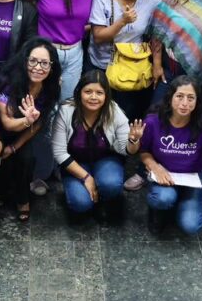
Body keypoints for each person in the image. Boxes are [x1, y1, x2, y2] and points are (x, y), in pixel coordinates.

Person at [140, 76, 202, 236]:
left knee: (191, 226)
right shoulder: (153, 120)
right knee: (163, 199)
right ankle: (159, 211)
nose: (184, 103)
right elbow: (143, 152)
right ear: (170, 98)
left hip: (192, 177)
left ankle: (186, 201)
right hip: (164, 175)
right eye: (179, 96)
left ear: (197, 102)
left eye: (190, 98)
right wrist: (155, 167)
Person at [51, 70, 138, 222]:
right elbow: (59, 153)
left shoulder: (115, 112)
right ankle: (89, 193)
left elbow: (125, 150)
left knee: (110, 185)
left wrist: (133, 141)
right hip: (75, 163)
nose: (93, 97)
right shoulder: (66, 111)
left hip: (106, 159)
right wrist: (87, 178)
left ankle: (104, 198)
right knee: (80, 203)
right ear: (79, 92)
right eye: (88, 92)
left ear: (106, 95)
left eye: (99, 93)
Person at [0, 38, 62, 221]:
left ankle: (23, 199)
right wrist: (26, 120)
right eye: (33, 61)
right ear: (25, 61)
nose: (38, 67)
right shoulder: (8, 82)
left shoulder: (50, 88)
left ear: (51, 67)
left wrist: (14, 147)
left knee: (27, 159)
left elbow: (38, 124)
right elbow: (7, 123)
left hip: (24, 132)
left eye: (44, 63)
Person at [28, 0, 103, 100]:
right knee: (41, 100)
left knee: (67, 102)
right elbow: (24, 1)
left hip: (74, 53)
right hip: (45, 51)